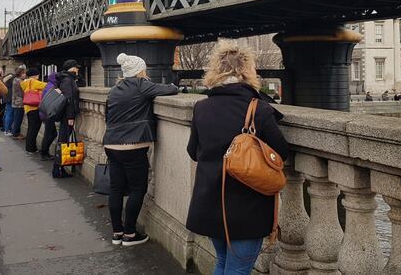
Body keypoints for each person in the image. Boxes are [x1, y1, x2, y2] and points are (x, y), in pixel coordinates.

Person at [186, 40, 289, 274]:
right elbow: (281, 153)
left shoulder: (201, 107)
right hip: (246, 208)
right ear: (246, 71)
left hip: (210, 202)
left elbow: (193, 151)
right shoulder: (258, 108)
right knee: (239, 268)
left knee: (222, 261)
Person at [104, 53, 177, 246]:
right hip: (134, 144)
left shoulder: (114, 89)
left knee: (116, 188)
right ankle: (129, 234)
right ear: (140, 70)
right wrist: (176, 85)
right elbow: (169, 90)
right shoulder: (142, 85)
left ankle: (116, 232)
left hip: (111, 143)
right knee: (138, 188)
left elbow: (107, 116)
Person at [53, 59, 81, 178]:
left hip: (66, 115)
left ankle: (59, 168)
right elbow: (68, 99)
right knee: (63, 141)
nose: (78, 69)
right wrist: (70, 116)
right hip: (66, 116)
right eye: (76, 67)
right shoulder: (67, 80)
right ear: (72, 68)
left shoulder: (67, 78)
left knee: (63, 140)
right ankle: (58, 169)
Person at [21, 68, 47, 155]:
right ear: (35, 75)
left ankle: (30, 147)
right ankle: (31, 148)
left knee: (31, 128)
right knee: (34, 129)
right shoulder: (34, 82)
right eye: (38, 75)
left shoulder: (25, 82)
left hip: (28, 107)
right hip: (34, 107)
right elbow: (47, 86)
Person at [39, 72, 59, 161]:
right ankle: (44, 152)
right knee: (49, 134)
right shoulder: (52, 87)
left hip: (44, 112)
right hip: (48, 113)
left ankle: (44, 151)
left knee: (50, 133)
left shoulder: (48, 85)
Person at [10, 67, 27, 139]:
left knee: (16, 118)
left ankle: (15, 132)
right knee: (18, 119)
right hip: (19, 102)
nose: (25, 75)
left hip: (15, 102)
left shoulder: (15, 80)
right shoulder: (20, 81)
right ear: (20, 74)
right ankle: (16, 134)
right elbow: (23, 91)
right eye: (24, 73)